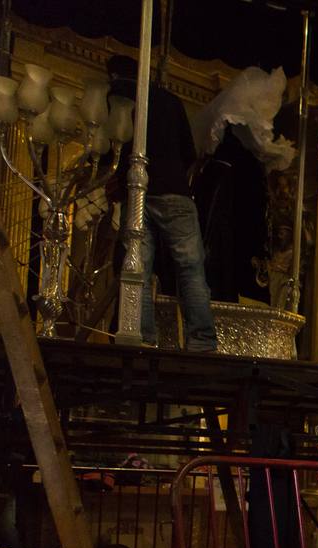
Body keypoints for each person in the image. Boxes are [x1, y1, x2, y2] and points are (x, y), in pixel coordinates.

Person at [107, 55, 217, 352]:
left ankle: (142, 336)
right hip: (176, 191)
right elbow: (189, 153)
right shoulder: (169, 99)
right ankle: (202, 339)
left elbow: (115, 142)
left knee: (138, 269)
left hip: (139, 188)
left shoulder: (120, 97)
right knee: (191, 268)